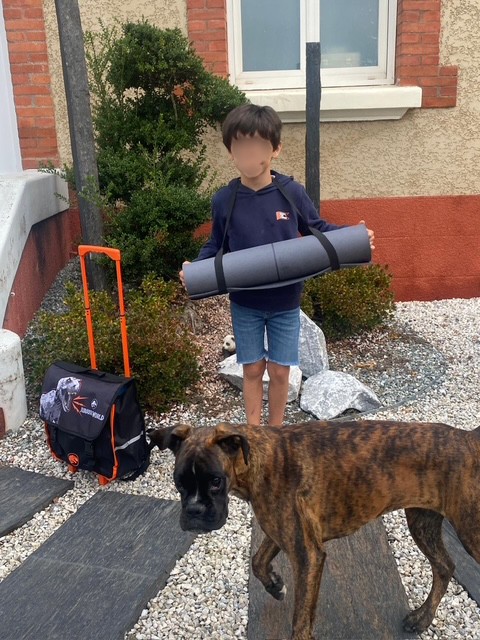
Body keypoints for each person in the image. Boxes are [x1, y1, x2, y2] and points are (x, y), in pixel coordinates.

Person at [180, 104, 374, 426]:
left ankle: (276, 433)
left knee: (281, 371)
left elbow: (318, 229)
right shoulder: (224, 200)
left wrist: (354, 236)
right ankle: (254, 433)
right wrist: (195, 267)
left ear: (275, 149)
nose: (249, 153)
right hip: (245, 302)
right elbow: (216, 244)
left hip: (286, 301)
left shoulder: (291, 193)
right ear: (231, 152)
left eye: (257, 145)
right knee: (253, 369)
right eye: (241, 145)